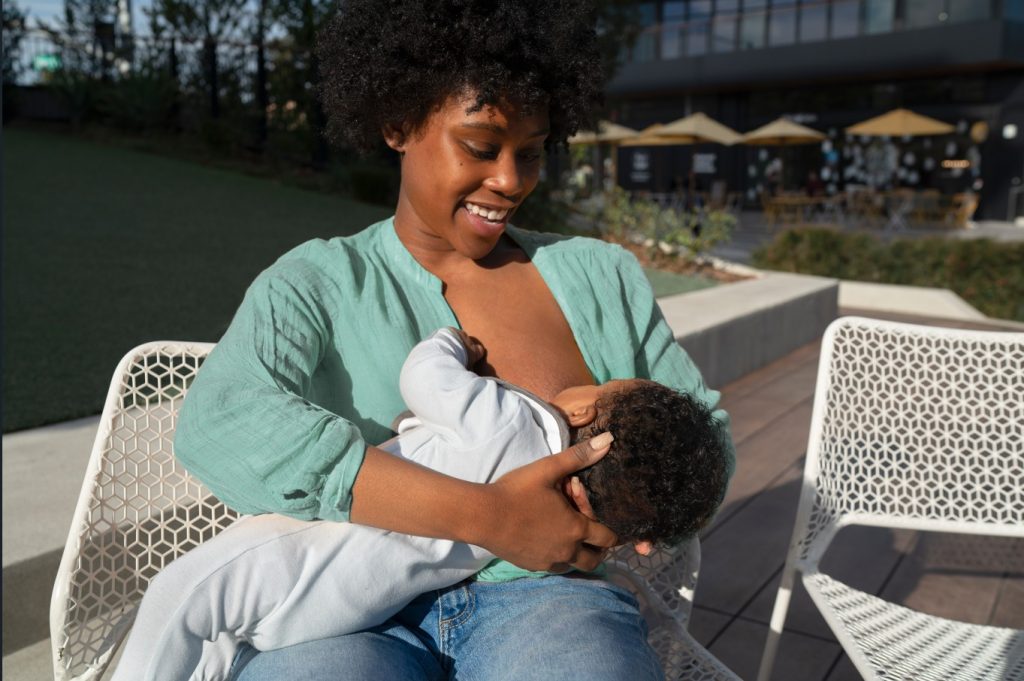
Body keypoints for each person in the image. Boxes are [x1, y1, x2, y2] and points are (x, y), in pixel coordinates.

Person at [171, 0, 735, 678]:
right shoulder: (316, 283)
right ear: (398, 123)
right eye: (481, 146)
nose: (510, 180)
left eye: (531, 153)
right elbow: (220, 422)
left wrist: (637, 505)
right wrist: (486, 516)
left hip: (548, 598)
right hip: (341, 605)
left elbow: (708, 439)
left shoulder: (599, 276)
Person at [112, 327, 729, 681]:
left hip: (301, 554)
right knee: (219, 633)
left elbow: (423, 377)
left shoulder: (510, 417)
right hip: (348, 609)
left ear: (581, 407)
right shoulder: (565, 524)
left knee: (180, 598)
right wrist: (633, 520)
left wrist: (448, 343)